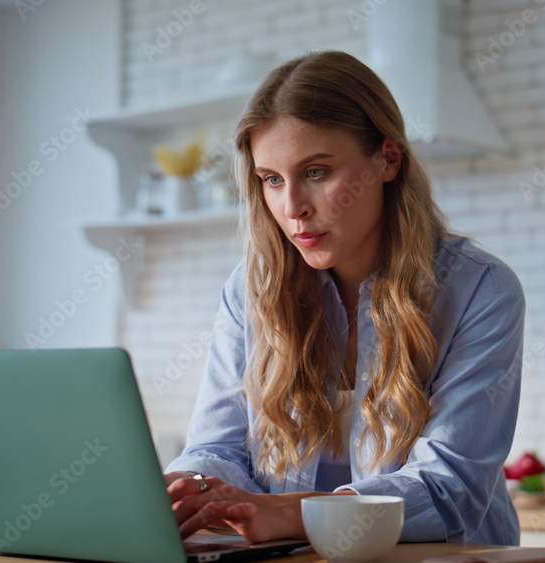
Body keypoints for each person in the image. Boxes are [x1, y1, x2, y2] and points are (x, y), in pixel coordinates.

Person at [163, 50, 525, 547]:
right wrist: (189, 487)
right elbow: (217, 448)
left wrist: (294, 515)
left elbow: (449, 488)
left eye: (316, 172)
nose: (292, 208)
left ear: (388, 159)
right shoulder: (251, 290)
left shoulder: (481, 289)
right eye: (272, 179)